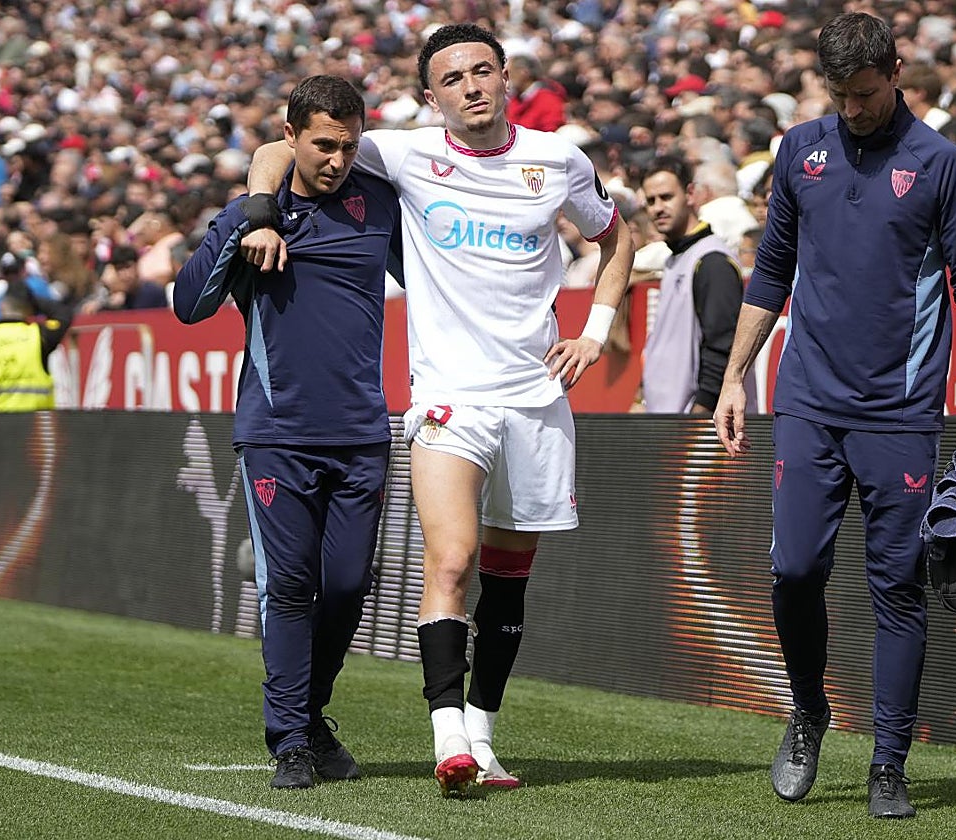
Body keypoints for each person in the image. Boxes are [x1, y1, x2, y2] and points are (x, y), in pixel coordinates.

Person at [244, 23, 634, 796]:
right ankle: (448, 738)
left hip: (536, 399)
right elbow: (279, 148)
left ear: (506, 77)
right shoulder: (404, 152)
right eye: (452, 79)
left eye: (482, 71)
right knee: (449, 563)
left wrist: (596, 330)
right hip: (450, 398)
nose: (471, 87)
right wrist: (259, 211)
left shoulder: (557, 159)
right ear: (432, 97)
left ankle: (483, 739)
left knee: (510, 582)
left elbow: (618, 237)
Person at [713, 13, 956, 820]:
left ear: (896, 71)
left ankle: (889, 763)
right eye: (840, 95)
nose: (853, 108)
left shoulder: (941, 164)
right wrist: (734, 379)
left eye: (867, 93)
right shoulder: (800, 150)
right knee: (793, 572)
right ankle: (808, 712)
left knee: (897, 590)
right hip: (808, 402)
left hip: (902, 415)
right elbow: (771, 268)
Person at [173, 75, 402, 791]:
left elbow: (440, 276)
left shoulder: (381, 204)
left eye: (348, 145)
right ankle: (292, 742)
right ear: (291, 137)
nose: (336, 159)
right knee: (292, 587)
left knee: (347, 587)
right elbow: (187, 305)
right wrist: (250, 220)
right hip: (277, 433)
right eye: (323, 145)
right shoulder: (254, 212)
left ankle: (309, 717)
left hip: (364, 431)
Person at [639, 156, 742, 414]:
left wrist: (702, 409)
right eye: (650, 201)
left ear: (690, 194)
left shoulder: (712, 261)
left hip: (694, 425)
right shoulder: (677, 259)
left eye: (666, 197)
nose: (657, 208)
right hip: (665, 420)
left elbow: (723, 345)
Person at [0, 279, 72, 412]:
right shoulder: (37, 335)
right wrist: (35, 302)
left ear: (1, 307)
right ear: (28, 308)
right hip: (37, 426)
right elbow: (64, 314)